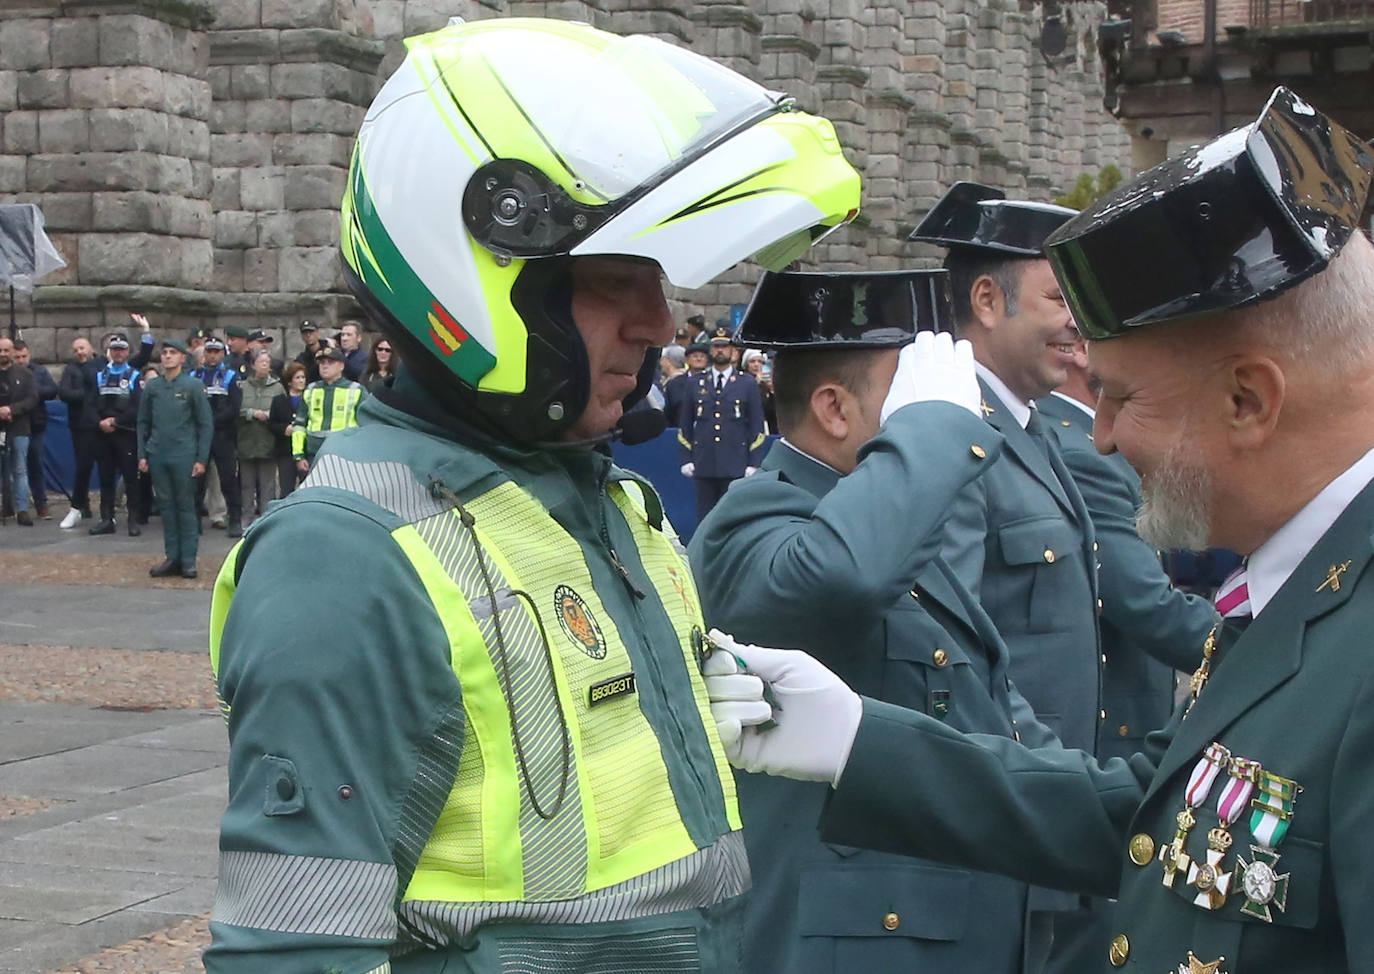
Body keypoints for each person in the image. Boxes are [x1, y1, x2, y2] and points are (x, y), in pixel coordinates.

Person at [205, 17, 860, 972]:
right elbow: (290, 952)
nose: (657, 320)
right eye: (610, 279)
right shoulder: (348, 561)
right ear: (474, 273)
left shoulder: (603, 500)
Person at [709, 86, 1374, 974]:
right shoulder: (1309, 592)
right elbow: (1163, 819)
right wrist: (858, 742)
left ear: (1248, 401)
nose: (1096, 435)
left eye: (1122, 398)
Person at [691, 271, 1054, 973]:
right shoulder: (754, 521)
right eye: (911, 388)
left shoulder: (884, 515)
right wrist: (937, 431)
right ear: (834, 408)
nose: (947, 404)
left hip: (944, 922)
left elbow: (987, 705)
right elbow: (843, 575)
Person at [1038, 339, 1219, 761]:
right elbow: (1146, 604)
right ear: (1081, 349)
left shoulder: (1079, 437)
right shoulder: (1083, 453)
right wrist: (1261, 645)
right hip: (1112, 737)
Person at [138, 338, 211, 578]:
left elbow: (205, 424)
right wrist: (142, 454)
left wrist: (201, 458)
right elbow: (143, 422)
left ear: (182, 358)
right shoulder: (153, 387)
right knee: (166, 508)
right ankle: (173, 557)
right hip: (159, 453)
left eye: (173, 353)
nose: (167, 356)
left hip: (184, 454)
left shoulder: (192, 386)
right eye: (165, 353)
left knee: (186, 507)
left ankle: (189, 559)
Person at [678, 325, 767, 522]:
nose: (720, 350)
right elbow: (685, 422)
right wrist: (686, 458)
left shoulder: (747, 383)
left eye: (725, 346)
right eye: (716, 346)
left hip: (735, 462)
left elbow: (756, 425)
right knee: (705, 519)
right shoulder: (696, 383)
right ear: (710, 349)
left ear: (733, 351)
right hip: (704, 462)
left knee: (732, 518)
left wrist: (754, 462)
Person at [87, 333, 144, 536]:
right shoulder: (99, 375)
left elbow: (137, 406)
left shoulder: (135, 375)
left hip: (125, 434)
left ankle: (133, 520)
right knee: (105, 478)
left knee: (130, 479)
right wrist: (100, 422)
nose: (118, 353)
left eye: (122, 349)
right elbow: (91, 404)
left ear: (128, 352)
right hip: (103, 434)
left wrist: (116, 422)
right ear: (109, 352)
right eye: (115, 349)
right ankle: (106, 519)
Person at [190, 336, 244, 538]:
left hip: (223, 435)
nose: (212, 356)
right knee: (197, 481)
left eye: (216, 352)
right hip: (198, 436)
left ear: (223, 354)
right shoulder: (194, 375)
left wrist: (210, 422)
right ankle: (194, 521)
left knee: (228, 479)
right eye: (209, 351)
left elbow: (234, 407)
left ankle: (235, 519)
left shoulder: (231, 376)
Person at [290, 345, 366, 474]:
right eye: (322, 362)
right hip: (314, 455)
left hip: (345, 455)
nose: (325, 366)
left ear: (341, 366)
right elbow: (299, 424)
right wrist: (299, 455)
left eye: (330, 362)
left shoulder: (356, 390)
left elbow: (366, 426)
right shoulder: (311, 390)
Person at [236, 349, 283, 526]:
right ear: (253, 364)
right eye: (261, 361)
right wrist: (250, 413)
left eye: (267, 362)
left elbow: (283, 411)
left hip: (267, 441)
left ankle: (266, 518)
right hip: (246, 441)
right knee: (247, 484)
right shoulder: (243, 386)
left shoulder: (277, 387)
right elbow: (236, 410)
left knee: (268, 485)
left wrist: (270, 415)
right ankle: (246, 517)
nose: (264, 365)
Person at [13, 340, 57, 519]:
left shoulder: (39, 371)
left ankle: (41, 504)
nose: (21, 360)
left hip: (36, 425)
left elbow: (53, 390)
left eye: (24, 356)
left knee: (36, 465)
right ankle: (12, 505)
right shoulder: (8, 373)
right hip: (14, 425)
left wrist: (32, 391)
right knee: (13, 468)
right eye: (17, 357)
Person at [0, 337, 37, 525]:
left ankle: (22, 509)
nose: (3, 354)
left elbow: (32, 398)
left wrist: (12, 410)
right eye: (1, 350)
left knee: (20, 469)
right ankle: (4, 507)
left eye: (6, 350)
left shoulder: (25, 375)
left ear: (13, 352)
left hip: (20, 427)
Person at [270, 361, 306, 496]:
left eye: (303, 377)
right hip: (285, 451)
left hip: (304, 451)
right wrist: (284, 429)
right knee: (286, 489)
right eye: (297, 377)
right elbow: (272, 423)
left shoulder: (310, 399)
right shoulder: (279, 400)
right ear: (290, 381)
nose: (301, 380)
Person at [292, 319, 326, 384]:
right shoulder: (301, 359)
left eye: (311, 332)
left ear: (317, 333)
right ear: (302, 336)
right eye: (305, 333)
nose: (308, 335)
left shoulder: (330, 351)